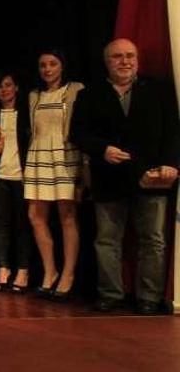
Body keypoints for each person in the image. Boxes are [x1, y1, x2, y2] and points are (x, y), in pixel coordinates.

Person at [71, 38, 180, 314]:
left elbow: (173, 132)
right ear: (107, 62)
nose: (125, 61)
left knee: (153, 240)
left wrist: (171, 163)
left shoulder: (160, 91)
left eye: (130, 56)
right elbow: (78, 134)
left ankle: (149, 298)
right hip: (109, 178)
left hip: (151, 177)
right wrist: (102, 149)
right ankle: (110, 294)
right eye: (117, 57)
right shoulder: (90, 94)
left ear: (138, 59)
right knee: (107, 240)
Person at [24, 49, 84, 300]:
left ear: (62, 66)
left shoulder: (75, 89)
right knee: (35, 215)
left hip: (65, 156)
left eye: (52, 64)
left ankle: (68, 274)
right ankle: (50, 271)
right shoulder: (33, 96)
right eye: (43, 65)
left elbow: (80, 126)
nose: (47, 69)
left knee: (66, 215)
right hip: (38, 156)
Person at [0, 70, 31, 292]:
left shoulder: (27, 113)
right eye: (0, 86)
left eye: (8, 85)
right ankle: (3, 268)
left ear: (16, 88)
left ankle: (23, 270)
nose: (4, 90)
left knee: (22, 225)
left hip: (22, 176)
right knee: (0, 225)